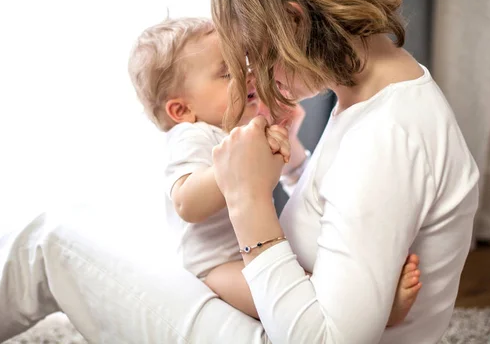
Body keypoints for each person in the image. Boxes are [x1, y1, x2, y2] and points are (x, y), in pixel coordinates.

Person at [0, 0, 478, 343]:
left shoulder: (385, 138)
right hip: (270, 306)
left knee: (49, 243)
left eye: (253, 51)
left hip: (271, 327)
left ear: (293, 20)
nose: (252, 75)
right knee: (82, 231)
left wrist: (248, 200)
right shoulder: (374, 98)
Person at [127, 16, 421, 321]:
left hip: (253, 249)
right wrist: (236, 164)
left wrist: (285, 141)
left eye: (244, 65)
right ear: (182, 110)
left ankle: (369, 303)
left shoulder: (239, 127)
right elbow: (186, 203)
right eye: (228, 73)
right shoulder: (191, 135)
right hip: (215, 266)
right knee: (290, 301)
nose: (249, 76)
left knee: (319, 275)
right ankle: (379, 315)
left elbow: (292, 175)